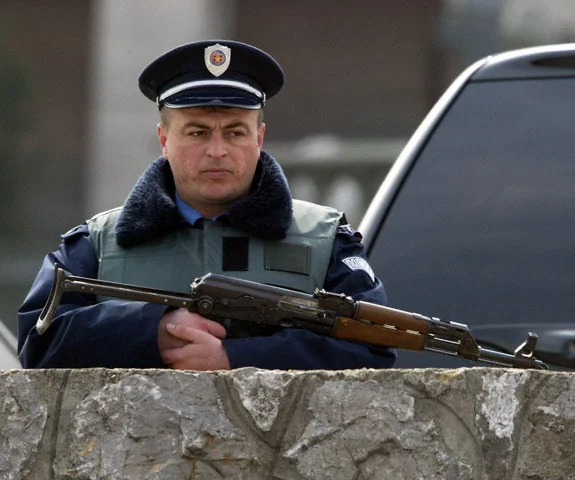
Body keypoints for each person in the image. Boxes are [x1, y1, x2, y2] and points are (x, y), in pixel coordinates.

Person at [17, 40, 396, 370]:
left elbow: (374, 346)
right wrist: (154, 330)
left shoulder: (326, 239)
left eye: (235, 132)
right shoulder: (97, 244)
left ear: (259, 137)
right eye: (198, 132)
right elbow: (39, 340)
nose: (217, 151)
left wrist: (237, 358)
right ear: (164, 139)